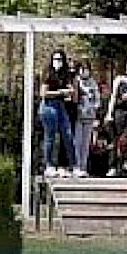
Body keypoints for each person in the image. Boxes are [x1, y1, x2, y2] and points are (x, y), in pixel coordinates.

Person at [40, 50, 77, 179]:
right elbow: (43, 93)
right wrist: (61, 92)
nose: (58, 62)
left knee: (68, 135)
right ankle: (48, 165)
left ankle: (73, 166)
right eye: (56, 59)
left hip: (61, 106)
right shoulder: (48, 73)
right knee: (50, 136)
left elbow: (71, 90)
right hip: (49, 106)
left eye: (60, 59)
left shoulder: (64, 74)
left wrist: (70, 90)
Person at [71, 62, 101, 179]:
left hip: (90, 115)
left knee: (86, 142)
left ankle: (83, 167)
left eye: (86, 69)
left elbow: (97, 99)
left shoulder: (93, 83)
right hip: (78, 116)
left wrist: (95, 110)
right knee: (77, 142)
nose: (84, 71)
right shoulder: (76, 81)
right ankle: (76, 166)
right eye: (82, 69)